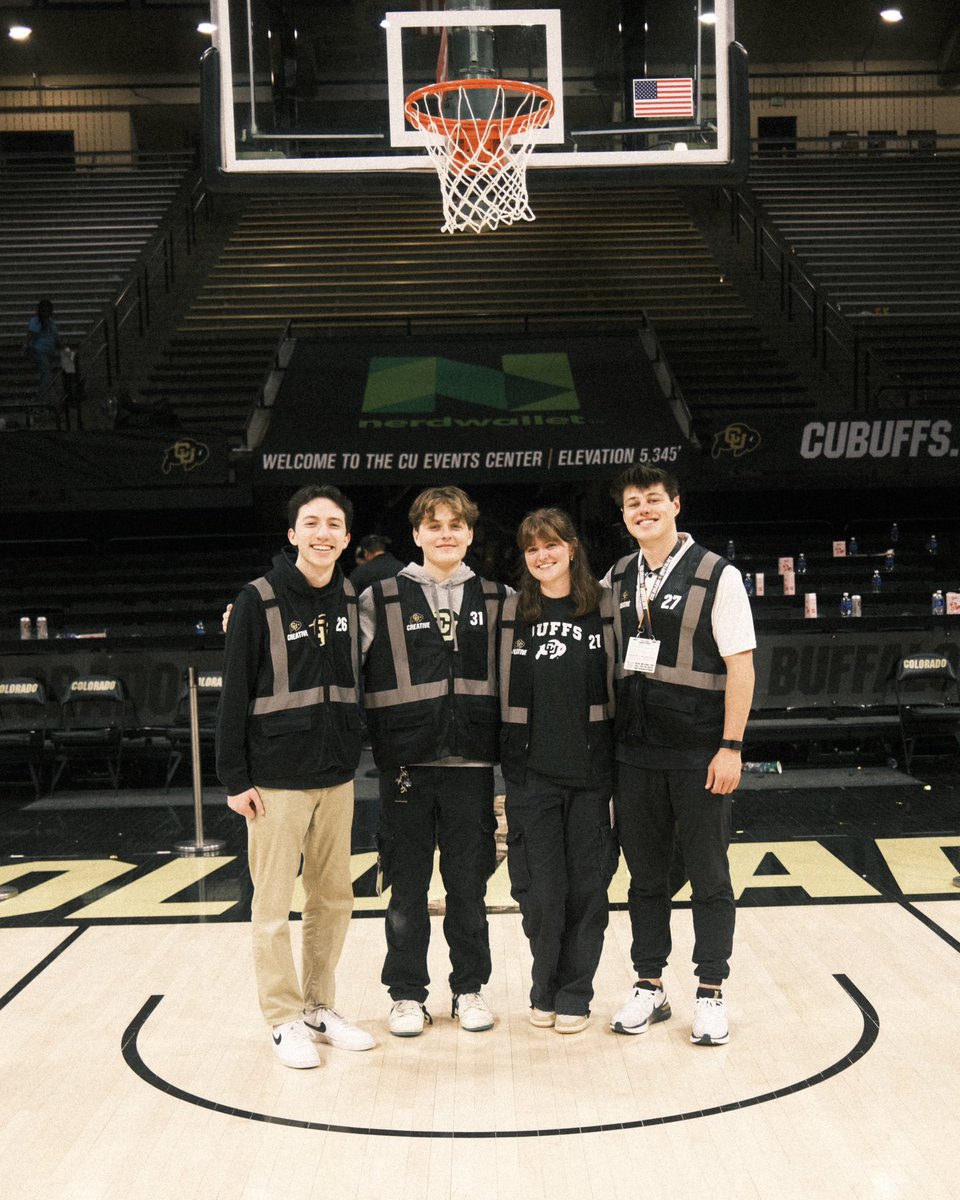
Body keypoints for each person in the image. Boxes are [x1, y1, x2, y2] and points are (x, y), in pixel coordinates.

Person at [216, 484, 375, 1068]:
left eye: (333, 524)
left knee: (333, 900)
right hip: (273, 781)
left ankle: (318, 1006)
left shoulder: (353, 598)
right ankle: (283, 1019)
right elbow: (233, 695)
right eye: (311, 523)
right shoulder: (255, 600)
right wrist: (234, 779)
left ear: (347, 538)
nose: (322, 533)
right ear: (292, 534)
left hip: (336, 775)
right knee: (272, 907)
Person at [603, 464, 755, 1047]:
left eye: (653, 499)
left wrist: (731, 746)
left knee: (709, 877)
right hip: (635, 754)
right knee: (645, 879)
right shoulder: (618, 575)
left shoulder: (719, 575)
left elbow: (741, 667)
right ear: (624, 516)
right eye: (633, 503)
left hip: (699, 754)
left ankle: (711, 992)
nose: (643, 510)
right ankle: (650, 985)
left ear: (675, 505)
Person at [359, 486, 508, 1037]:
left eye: (455, 525)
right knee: (407, 888)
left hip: (473, 765)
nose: (445, 534)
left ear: (469, 533)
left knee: (468, 887)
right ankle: (406, 995)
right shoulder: (378, 598)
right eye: (434, 525)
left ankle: (469, 989)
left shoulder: (501, 598)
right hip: (406, 764)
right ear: (416, 534)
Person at [499, 508, 619, 1034]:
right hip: (532, 775)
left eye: (551, 545)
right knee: (542, 895)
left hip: (592, 774)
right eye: (532, 549)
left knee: (588, 892)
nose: (542, 555)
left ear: (572, 548)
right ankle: (543, 988)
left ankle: (576, 994)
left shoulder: (606, 606)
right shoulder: (510, 610)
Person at [24, 299, 62, 409]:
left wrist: (65, 349)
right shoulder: (36, 321)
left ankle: (43, 398)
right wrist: (26, 346)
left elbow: (56, 339)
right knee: (46, 375)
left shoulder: (51, 323)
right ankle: (43, 400)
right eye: (44, 310)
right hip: (40, 351)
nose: (46, 312)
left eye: (48, 310)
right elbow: (31, 334)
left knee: (47, 376)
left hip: (49, 352)